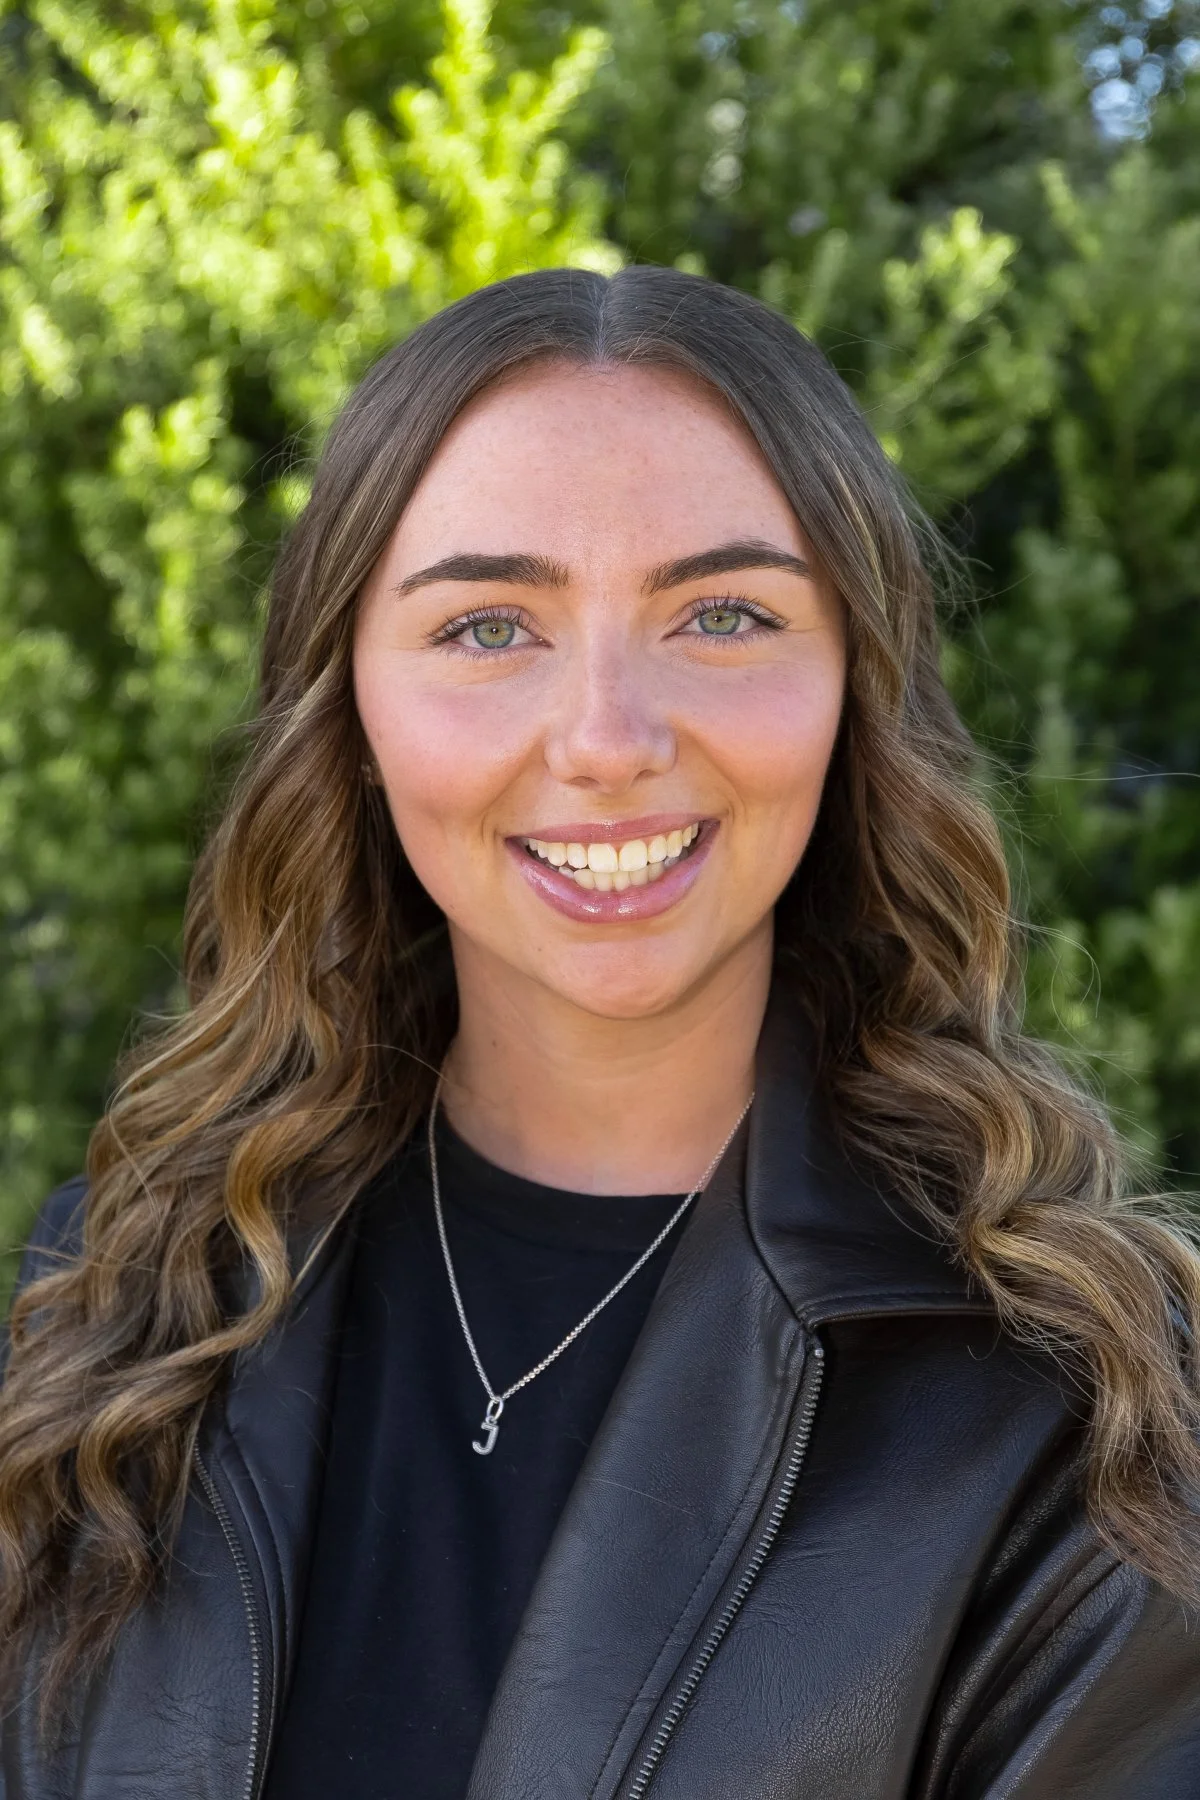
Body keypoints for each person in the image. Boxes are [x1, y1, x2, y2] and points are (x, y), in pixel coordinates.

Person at [1, 266, 1198, 1800]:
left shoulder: (1081, 1421)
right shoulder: (119, 1310)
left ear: (856, 689)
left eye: (723, 614)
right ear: (350, 717)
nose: (610, 742)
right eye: (491, 627)